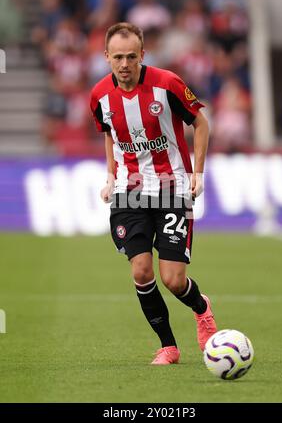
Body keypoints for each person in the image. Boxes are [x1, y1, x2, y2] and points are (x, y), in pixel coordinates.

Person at [90, 22, 217, 365]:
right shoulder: (99, 96)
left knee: (174, 280)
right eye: (118, 57)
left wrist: (198, 173)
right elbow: (109, 133)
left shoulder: (167, 83)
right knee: (142, 271)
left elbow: (200, 123)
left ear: (143, 55)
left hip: (172, 187)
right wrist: (110, 175)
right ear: (107, 57)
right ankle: (169, 347)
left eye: (132, 56)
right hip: (129, 192)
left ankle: (202, 309)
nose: (125, 64)